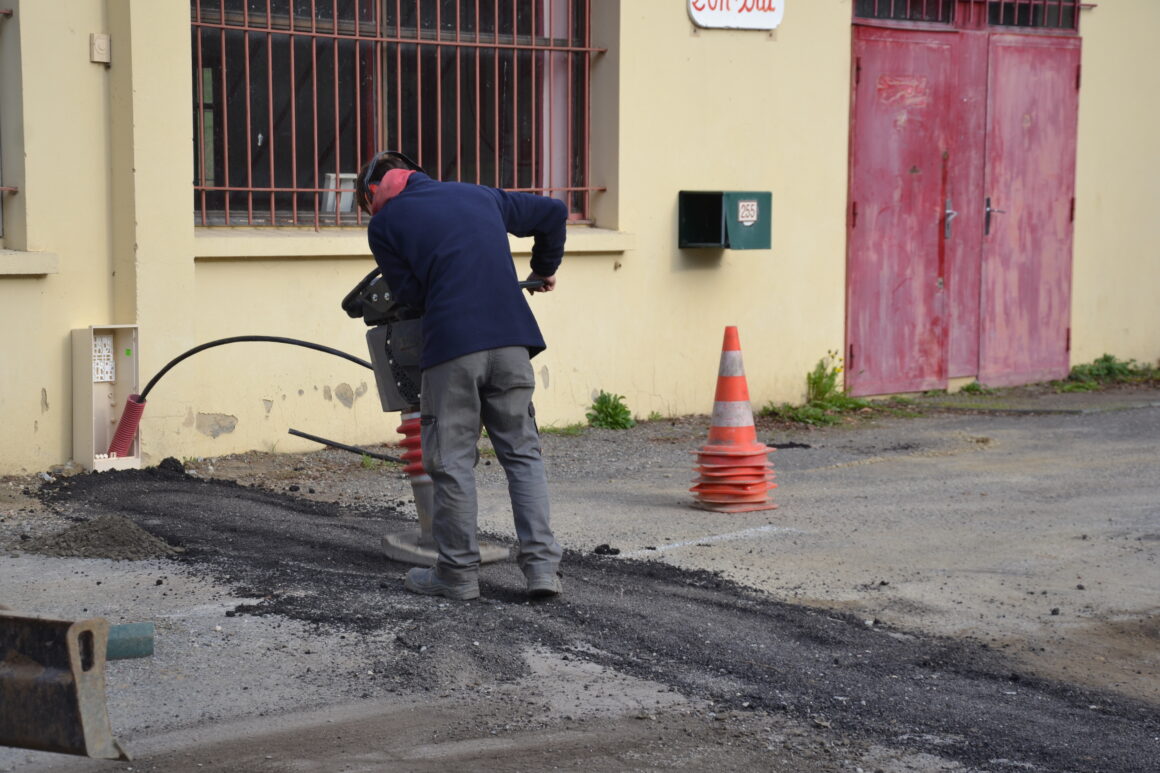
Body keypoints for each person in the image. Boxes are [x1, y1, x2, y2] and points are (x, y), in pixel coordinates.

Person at [355, 150, 566, 601]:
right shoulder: (480, 196)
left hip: (452, 347)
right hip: (513, 342)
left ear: (374, 193)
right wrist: (544, 268)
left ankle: (457, 575)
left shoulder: (385, 224)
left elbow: (411, 296)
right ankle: (543, 571)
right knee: (523, 456)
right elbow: (553, 212)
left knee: (451, 462)